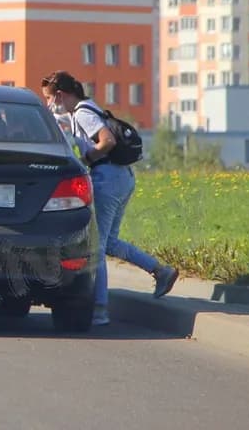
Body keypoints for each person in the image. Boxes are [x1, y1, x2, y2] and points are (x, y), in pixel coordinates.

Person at [41, 71, 178, 326]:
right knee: (110, 241)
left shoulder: (82, 113)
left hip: (107, 179)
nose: (50, 103)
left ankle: (100, 310)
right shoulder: (88, 106)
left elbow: (107, 140)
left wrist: (85, 160)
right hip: (123, 177)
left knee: (97, 247)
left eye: (50, 98)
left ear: (60, 94)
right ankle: (161, 271)